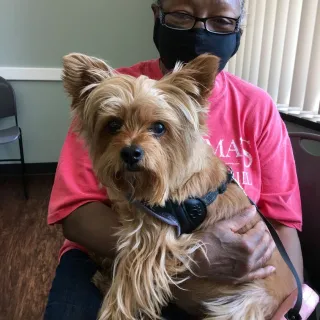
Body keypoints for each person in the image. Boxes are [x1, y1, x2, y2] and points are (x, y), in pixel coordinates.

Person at [44, 0, 303, 319]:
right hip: (109, 252)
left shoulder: (257, 107)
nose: (200, 31)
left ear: (239, 28)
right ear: (157, 15)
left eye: (222, 21)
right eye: (182, 14)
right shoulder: (107, 94)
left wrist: (294, 306)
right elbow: (75, 214)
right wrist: (191, 256)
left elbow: (283, 222)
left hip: (234, 289)